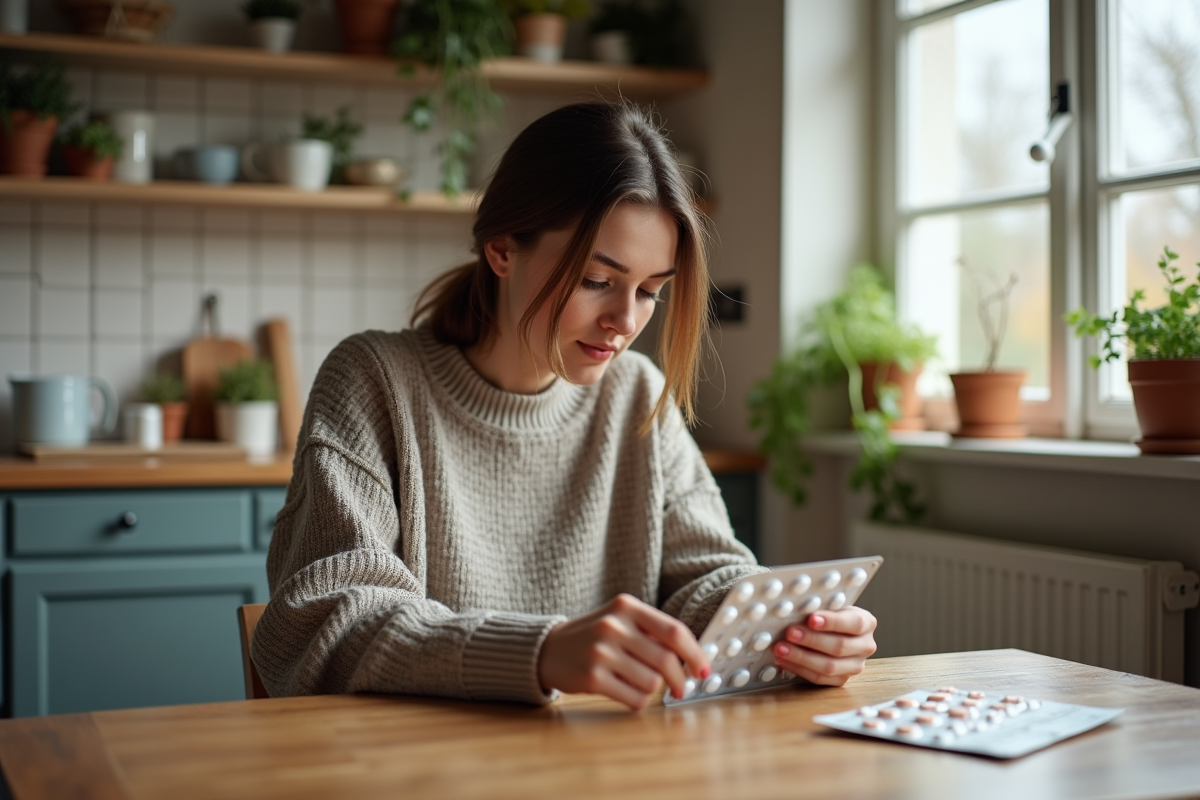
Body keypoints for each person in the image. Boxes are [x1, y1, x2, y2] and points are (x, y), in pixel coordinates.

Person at [252, 101, 877, 711]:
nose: (624, 321)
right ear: (502, 249)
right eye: (596, 281)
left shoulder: (634, 389)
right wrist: (539, 652)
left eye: (650, 292)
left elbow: (703, 577)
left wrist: (791, 628)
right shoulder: (372, 380)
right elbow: (320, 621)